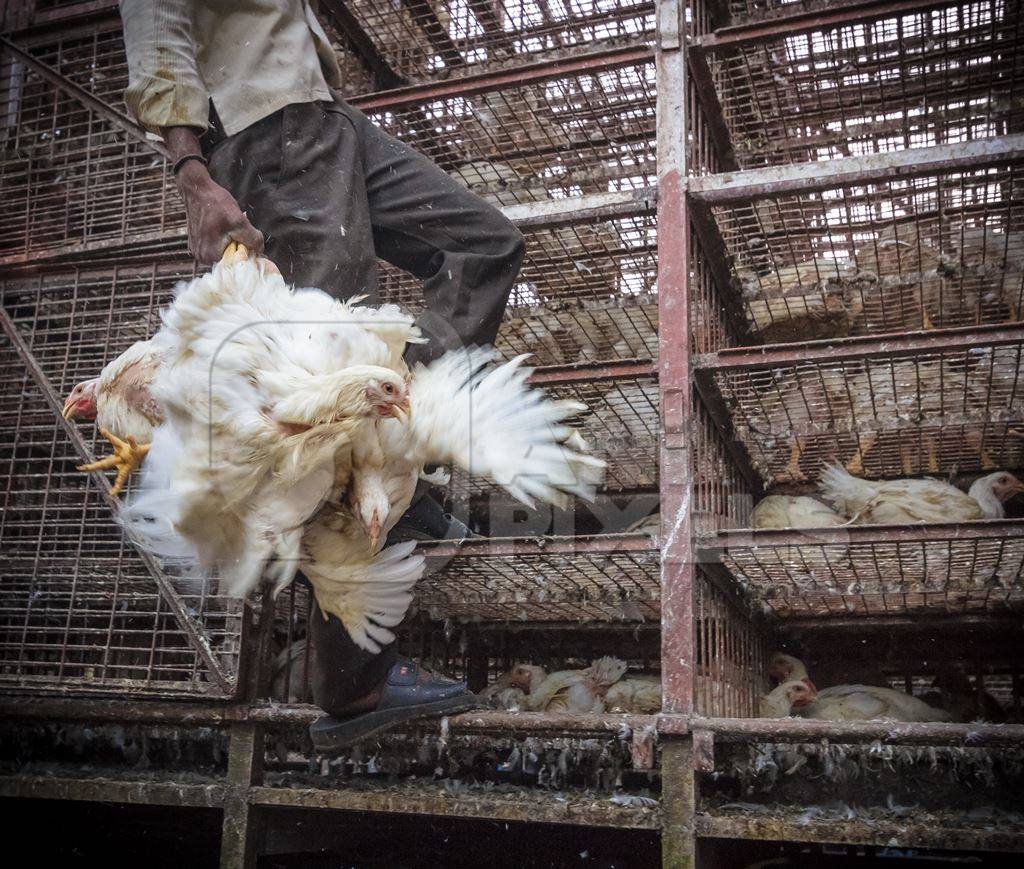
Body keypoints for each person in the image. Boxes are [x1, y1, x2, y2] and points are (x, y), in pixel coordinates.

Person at [118, 0, 526, 747]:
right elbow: (154, 21)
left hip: (327, 122)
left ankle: (402, 454)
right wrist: (192, 171)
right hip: (266, 137)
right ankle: (352, 680)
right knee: (324, 405)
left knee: (484, 243)